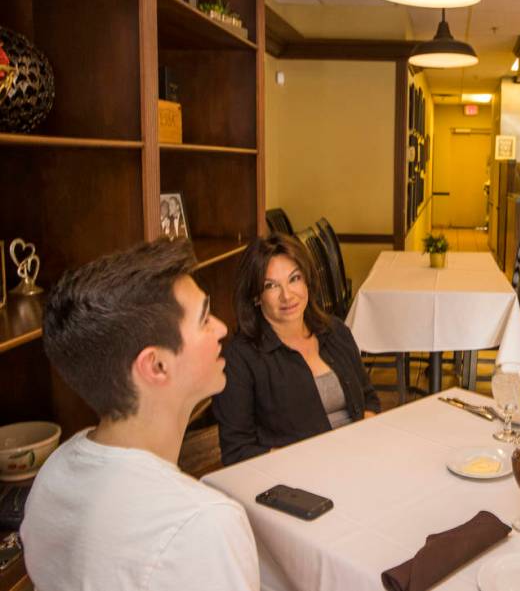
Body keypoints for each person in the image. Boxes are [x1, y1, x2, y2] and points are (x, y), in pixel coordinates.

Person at [21, 239, 259, 590]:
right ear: (157, 365)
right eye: (205, 318)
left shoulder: (53, 473)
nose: (222, 328)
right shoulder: (203, 522)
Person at [212, 233, 380, 465]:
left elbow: (368, 397)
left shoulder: (335, 331)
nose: (287, 295)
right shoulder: (240, 359)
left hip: (359, 457)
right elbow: (237, 450)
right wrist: (303, 461)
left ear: (307, 281)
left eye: (294, 279)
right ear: (256, 296)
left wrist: (364, 435)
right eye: (271, 286)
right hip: (298, 474)